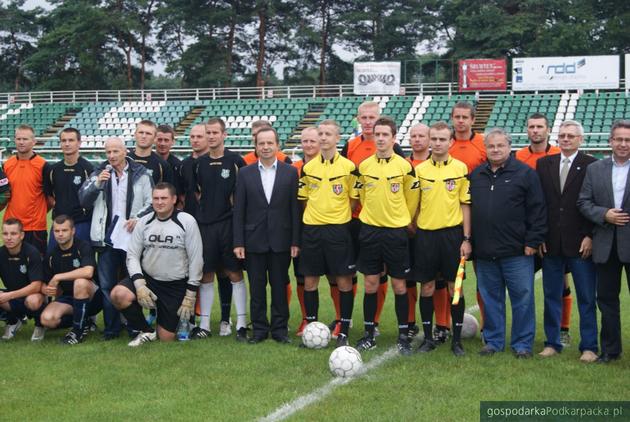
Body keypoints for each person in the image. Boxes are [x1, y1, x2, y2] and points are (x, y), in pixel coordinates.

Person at [470, 128, 546, 358]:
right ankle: (493, 341)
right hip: (485, 251)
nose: (495, 149)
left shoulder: (525, 173)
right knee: (491, 299)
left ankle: (522, 344)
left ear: (509, 147)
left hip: (517, 251)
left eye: (500, 145)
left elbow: (538, 209)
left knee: (522, 298)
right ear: (486, 148)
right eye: (491, 146)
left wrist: (532, 241)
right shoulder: (477, 174)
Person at [353, 117, 419, 355]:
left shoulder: (404, 166)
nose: (380, 138)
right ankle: (369, 334)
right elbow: (361, 198)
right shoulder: (364, 166)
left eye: (385, 135)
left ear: (393, 138)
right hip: (370, 231)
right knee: (370, 283)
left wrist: (404, 220)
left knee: (399, 284)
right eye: (377, 134)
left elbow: (411, 199)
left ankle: (403, 336)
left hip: (395, 232)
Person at [341, 101, 405, 338]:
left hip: (389, 223)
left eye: (373, 118)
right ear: (358, 120)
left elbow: (405, 190)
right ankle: (346, 321)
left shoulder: (397, 154)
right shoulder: (350, 147)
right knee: (357, 273)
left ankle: (377, 322)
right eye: (364, 118)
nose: (368, 122)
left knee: (386, 275)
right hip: (360, 221)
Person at [110, 183, 203, 346]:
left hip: (175, 284)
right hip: (149, 279)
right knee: (118, 294)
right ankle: (145, 330)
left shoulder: (187, 221)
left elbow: (196, 259)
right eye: (156, 198)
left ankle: (184, 321)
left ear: (174, 199)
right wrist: (139, 285)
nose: (159, 202)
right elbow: (132, 255)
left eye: (164, 198)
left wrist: (191, 294)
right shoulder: (144, 222)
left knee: (166, 338)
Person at [79, 137, 153, 340]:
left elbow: (152, 202)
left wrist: (137, 219)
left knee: (133, 282)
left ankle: (134, 326)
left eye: (115, 151)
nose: (111, 156)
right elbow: (83, 200)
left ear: (125, 151)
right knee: (107, 285)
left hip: (132, 238)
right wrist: (96, 184)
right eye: (108, 152)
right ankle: (111, 329)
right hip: (106, 238)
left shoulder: (141, 174)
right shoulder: (98, 173)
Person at [537, 120, 598, 362]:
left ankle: (589, 347)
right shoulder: (544, 164)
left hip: (580, 244)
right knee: (551, 295)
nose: (566, 139)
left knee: (585, 297)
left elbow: (596, 202)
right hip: (551, 243)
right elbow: (539, 204)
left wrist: (590, 235)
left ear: (580, 139)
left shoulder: (592, 165)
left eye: (571, 135)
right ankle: (552, 343)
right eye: (562, 135)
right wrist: (540, 235)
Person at [233, 127, 300, 344]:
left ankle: (280, 330)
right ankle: (260, 329)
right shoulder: (245, 173)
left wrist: (295, 241)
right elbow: (239, 210)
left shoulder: (290, 172)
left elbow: (294, 210)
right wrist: (239, 242)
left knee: (280, 287)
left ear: (277, 145)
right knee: (257, 288)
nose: (266, 147)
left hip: (281, 240)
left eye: (270, 143)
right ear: (256, 146)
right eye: (261, 143)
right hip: (254, 241)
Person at [298, 120, 358, 347]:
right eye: (320, 134)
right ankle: (311, 328)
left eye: (328, 134)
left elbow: (353, 200)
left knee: (343, 280)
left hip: (338, 230)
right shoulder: (308, 168)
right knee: (310, 280)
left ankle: (343, 328)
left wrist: (336, 216)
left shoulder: (349, 167)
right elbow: (304, 200)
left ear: (337, 138)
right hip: (312, 230)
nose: (323, 138)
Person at [414, 122, 471, 357]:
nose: (437, 143)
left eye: (441, 139)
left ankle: (456, 341)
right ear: (429, 141)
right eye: (433, 139)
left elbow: (465, 205)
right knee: (426, 286)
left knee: (453, 287)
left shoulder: (460, 168)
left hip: (452, 236)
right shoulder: (419, 170)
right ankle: (428, 339)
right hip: (426, 235)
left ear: (450, 142)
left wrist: (466, 238)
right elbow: (414, 204)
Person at [516, 113, 572, 346]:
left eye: (540, 127)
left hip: (554, 232)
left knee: (562, 281)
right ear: (527, 130)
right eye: (532, 127)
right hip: (527, 231)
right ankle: (523, 330)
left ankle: (564, 328)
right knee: (523, 284)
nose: (535, 130)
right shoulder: (519, 156)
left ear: (548, 130)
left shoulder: (558, 155)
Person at [578, 119, 630, 363]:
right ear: (610, 141)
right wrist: (604, 214)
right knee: (607, 301)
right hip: (606, 245)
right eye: (618, 139)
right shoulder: (595, 169)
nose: (623, 144)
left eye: (627, 140)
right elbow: (583, 202)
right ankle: (611, 351)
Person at [192, 118, 248, 341]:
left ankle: (241, 324)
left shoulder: (236, 161)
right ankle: (204, 325)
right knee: (205, 274)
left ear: (224, 135)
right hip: (206, 227)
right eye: (209, 132)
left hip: (229, 225)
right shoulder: (199, 163)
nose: (212, 136)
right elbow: (198, 193)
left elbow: (242, 195)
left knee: (233, 272)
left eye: (216, 132)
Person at [40, 215, 100, 345]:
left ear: (73, 231)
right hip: (69, 298)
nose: (60, 234)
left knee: (80, 282)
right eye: (57, 231)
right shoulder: (51, 255)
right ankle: (86, 321)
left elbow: (88, 271)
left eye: (64, 230)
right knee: (47, 319)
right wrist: (49, 289)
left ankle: (78, 331)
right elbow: (47, 285)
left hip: (93, 297)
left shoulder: (83, 246)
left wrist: (58, 277)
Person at [3, 124, 50, 255]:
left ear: (33, 141)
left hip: (35, 228)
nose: (21, 142)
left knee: (37, 268)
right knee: (13, 269)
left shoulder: (43, 165)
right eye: (18, 139)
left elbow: (50, 200)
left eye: (25, 139)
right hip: (11, 227)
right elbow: (4, 195)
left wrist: (37, 214)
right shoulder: (7, 165)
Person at [44, 127, 94, 248]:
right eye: (64, 140)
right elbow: (49, 196)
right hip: (59, 225)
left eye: (71, 140)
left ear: (79, 143)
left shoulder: (88, 168)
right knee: (53, 261)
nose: (67, 144)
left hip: (81, 224)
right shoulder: (53, 169)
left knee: (83, 261)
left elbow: (93, 197)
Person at [293, 126, 321, 336]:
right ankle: (306, 319)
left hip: (327, 228)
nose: (309, 145)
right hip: (300, 230)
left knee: (335, 277)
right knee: (303, 276)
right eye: (305, 141)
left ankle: (339, 320)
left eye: (313, 141)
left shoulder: (331, 167)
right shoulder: (293, 169)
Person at [0, 218, 46, 341]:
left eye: (13, 234)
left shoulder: (32, 252)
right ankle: (13, 321)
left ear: (22, 235)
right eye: (5, 234)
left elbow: (36, 286)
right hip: (12, 295)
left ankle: (40, 325)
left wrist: (9, 295)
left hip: (32, 295)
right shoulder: (1, 253)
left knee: (33, 300)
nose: (9, 238)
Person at [128, 120, 175, 186]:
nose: (144, 136)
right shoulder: (124, 160)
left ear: (155, 138)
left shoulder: (162, 165)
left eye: (148, 133)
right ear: (135, 135)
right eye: (141, 132)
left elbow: (166, 193)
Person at [156, 124, 182, 194]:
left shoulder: (178, 165)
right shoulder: (149, 161)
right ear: (154, 139)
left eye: (166, 140)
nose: (162, 143)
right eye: (160, 140)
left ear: (173, 142)